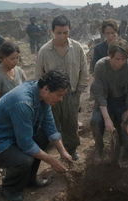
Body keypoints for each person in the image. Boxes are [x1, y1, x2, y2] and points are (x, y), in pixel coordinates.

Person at [0, 71, 72, 201]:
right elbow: (26, 144)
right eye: (59, 95)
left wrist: (63, 152)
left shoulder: (42, 96)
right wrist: (52, 161)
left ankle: (29, 180)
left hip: (14, 135)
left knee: (43, 136)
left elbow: (50, 127)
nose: (61, 99)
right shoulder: (23, 102)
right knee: (24, 160)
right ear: (46, 89)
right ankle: (9, 189)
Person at [35, 15, 89, 161]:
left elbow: (84, 70)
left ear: (69, 31)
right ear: (52, 32)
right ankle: (61, 152)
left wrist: (78, 92)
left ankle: (72, 150)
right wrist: (44, 97)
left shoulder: (77, 48)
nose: (62, 36)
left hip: (71, 94)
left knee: (71, 123)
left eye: (65, 32)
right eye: (59, 32)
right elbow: (39, 76)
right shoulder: (44, 51)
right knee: (54, 124)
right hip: (52, 97)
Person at [90, 39, 128, 161]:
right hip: (105, 100)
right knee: (96, 121)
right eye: (117, 59)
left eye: (124, 59)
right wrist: (107, 119)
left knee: (126, 125)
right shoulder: (101, 66)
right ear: (109, 56)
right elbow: (99, 93)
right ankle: (99, 148)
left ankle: (122, 148)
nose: (120, 62)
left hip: (122, 100)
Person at [0, 41, 27, 107]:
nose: (16, 61)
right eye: (12, 59)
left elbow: (26, 91)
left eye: (17, 58)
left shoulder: (19, 71)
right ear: (2, 58)